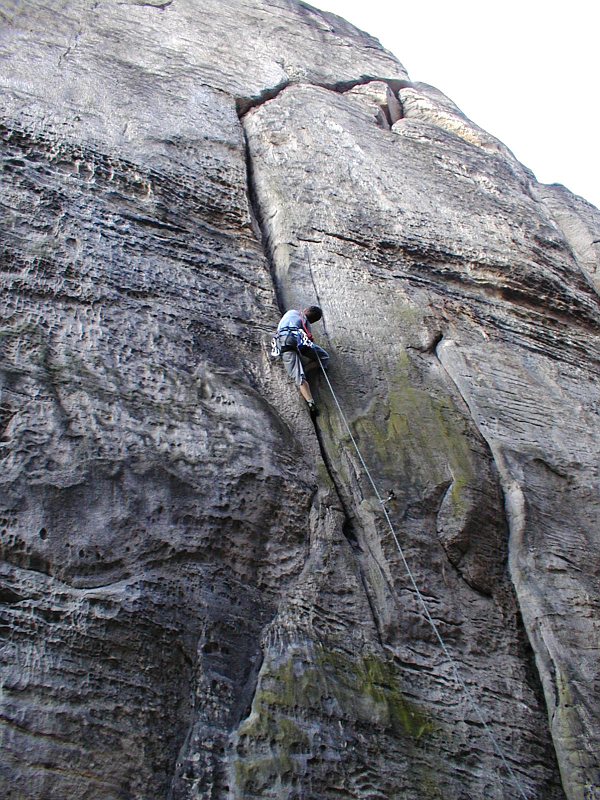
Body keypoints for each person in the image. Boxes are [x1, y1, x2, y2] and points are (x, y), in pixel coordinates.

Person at [274, 305, 330, 417]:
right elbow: (307, 338)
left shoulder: (291, 312)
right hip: (297, 340)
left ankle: (310, 402)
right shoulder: (305, 320)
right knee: (324, 357)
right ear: (312, 320)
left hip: (283, 341)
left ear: (306, 310)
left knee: (298, 376)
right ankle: (306, 369)